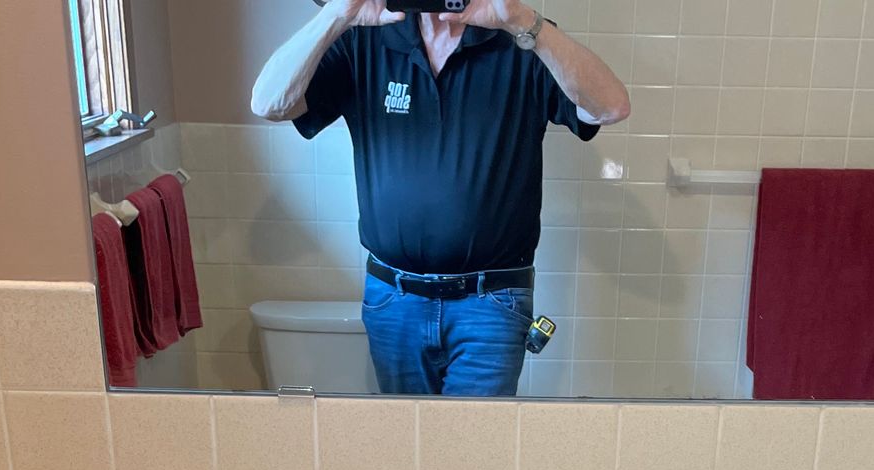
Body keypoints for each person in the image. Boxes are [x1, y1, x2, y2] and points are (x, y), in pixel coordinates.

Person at [253, 0, 630, 397]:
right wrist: (338, 14)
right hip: (394, 300)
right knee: (405, 448)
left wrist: (524, 21)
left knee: (474, 450)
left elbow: (612, 107)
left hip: (491, 303)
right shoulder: (364, 40)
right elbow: (267, 104)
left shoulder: (521, 40)